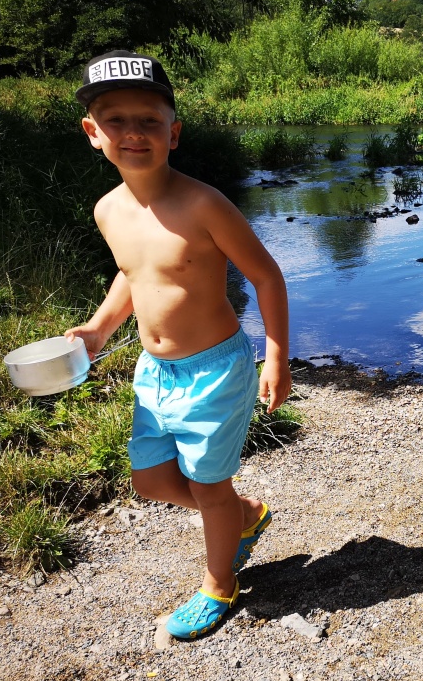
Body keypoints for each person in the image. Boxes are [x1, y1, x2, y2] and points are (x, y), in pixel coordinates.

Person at [65, 51, 291, 639]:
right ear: (93, 132)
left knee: (208, 486)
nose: (133, 132)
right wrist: (97, 330)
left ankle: (220, 584)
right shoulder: (108, 210)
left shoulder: (203, 204)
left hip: (216, 369)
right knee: (152, 481)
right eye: (116, 120)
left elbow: (267, 277)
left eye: (149, 119)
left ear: (174, 133)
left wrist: (276, 357)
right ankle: (242, 515)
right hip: (155, 371)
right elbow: (134, 275)